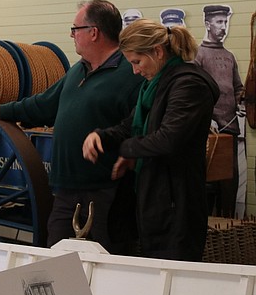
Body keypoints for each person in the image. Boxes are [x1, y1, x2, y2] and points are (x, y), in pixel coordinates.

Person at [0, 0, 143, 252]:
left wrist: (130, 153)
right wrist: (3, 109)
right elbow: (44, 104)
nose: (71, 34)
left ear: (93, 32)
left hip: (106, 193)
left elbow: (140, 123)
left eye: (75, 29)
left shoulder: (130, 73)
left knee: (103, 260)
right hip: (66, 190)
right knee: (56, 257)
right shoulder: (78, 71)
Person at [83, 20, 219, 261]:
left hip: (178, 205)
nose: (135, 71)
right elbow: (130, 125)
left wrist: (128, 150)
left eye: (137, 62)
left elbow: (168, 138)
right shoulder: (153, 86)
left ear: (157, 51)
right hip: (155, 200)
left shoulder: (188, 84)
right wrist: (102, 135)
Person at [194, 4, 244, 217]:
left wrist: (241, 103)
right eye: (219, 22)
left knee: (229, 185)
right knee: (208, 186)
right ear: (208, 24)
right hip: (210, 133)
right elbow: (194, 92)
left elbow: (238, 88)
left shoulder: (229, 56)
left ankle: (227, 235)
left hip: (230, 130)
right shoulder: (199, 55)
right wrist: (207, 120)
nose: (224, 26)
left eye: (225, 21)